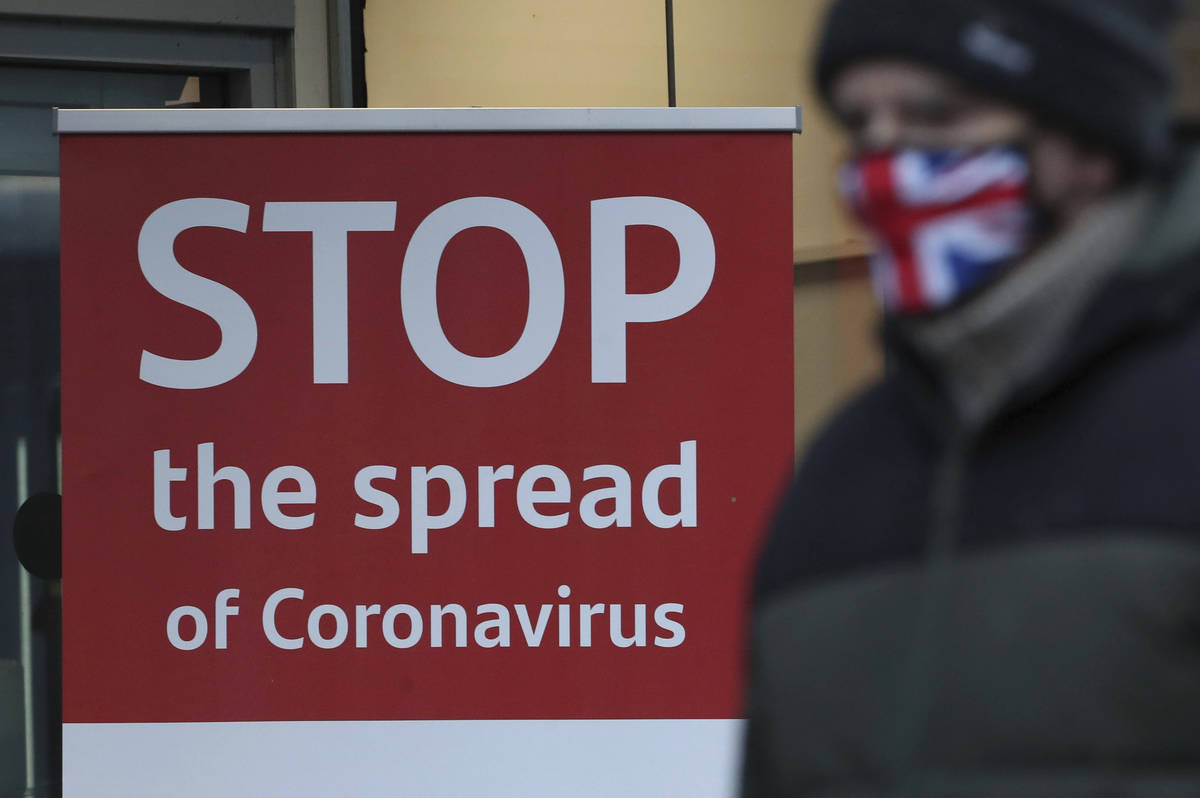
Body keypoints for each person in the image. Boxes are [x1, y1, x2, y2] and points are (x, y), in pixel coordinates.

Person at [741, 0, 1200, 795]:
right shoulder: (837, 479)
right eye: (859, 122)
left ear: (1088, 147)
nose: (887, 162)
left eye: (935, 116)